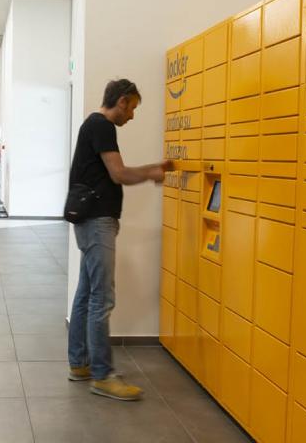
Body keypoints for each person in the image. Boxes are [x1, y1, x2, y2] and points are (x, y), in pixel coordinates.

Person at [67, 79, 170, 401]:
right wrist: (152, 173)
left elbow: (113, 172)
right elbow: (119, 174)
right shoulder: (102, 126)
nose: (133, 116)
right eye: (134, 107)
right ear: (122, 101)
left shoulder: (93, 125)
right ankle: (103, 375)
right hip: (97, 222)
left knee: (86, 294)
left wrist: (152, 168)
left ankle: (80, 363)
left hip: (92, 221)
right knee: (102, 299)